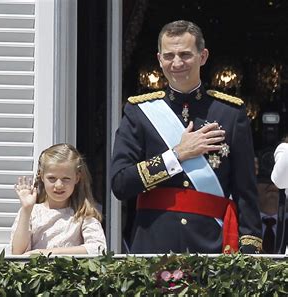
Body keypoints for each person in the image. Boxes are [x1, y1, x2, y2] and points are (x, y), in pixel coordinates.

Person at [111, 20, 262, 254]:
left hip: (212, 248)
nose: (177, 63)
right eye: (169, 55)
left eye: (185, 54)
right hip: (154, 245)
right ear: (159, 59)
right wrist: (176, 155)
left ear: (203, 56)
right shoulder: (139, 112)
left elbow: (246, 193)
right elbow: (120, 184)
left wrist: (250, 253)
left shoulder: (231, 113)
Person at [10, 143, 107, 255]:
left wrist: (46, 253)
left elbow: (99, 248)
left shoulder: (83, 213)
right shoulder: (32, 213)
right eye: (52, 178)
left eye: (66, 179)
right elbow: (17, 253)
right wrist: (26, 209)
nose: (59, 185)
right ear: (42, 176)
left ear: (77, 178)